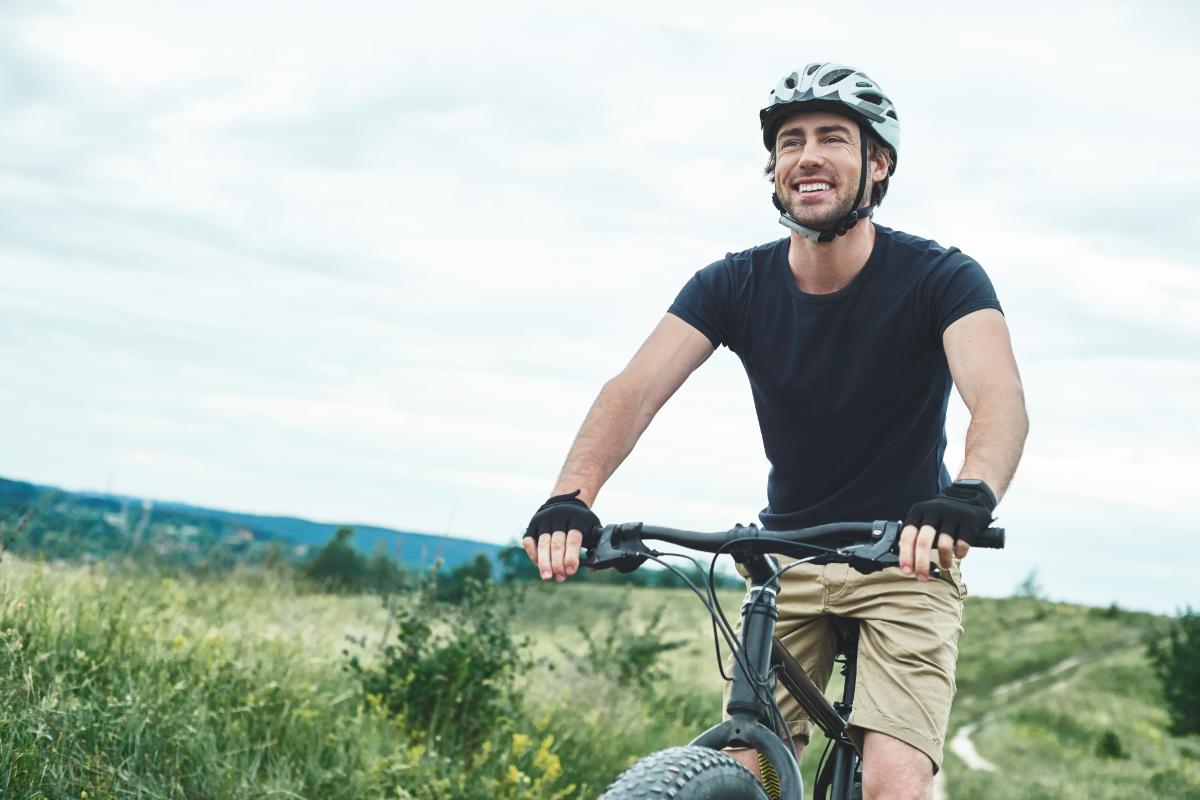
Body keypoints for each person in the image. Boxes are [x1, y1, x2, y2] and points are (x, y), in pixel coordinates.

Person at [523, 62, 1028, 800]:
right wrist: (571, 495)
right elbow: (632, 391)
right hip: (785, 559)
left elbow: (998, 396)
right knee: (744, 770)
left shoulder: (941, 278)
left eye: (833, 138)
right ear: (775, 169)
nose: (807, 156)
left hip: (906, 559)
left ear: (878, 164)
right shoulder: (732, 284)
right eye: (790, 142)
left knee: (892, 784)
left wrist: (970, 494)